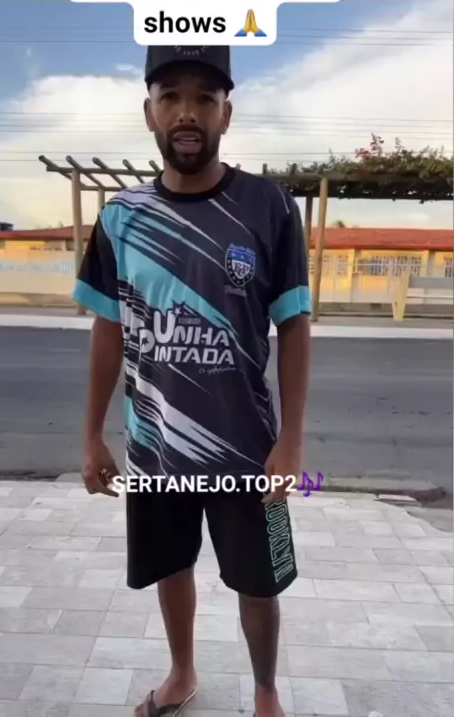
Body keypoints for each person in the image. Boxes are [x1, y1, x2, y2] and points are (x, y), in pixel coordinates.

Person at [73, 45, 311, 717]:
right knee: (170, 566)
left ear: (225, 115)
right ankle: (182, 673)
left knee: (260, 581)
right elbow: (108, 329)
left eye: (205, 98)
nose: (187, 112)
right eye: (171, 96)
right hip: (155, 447)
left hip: (248, 451)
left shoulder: (269, 206)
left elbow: (294, 325)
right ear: (149, 111)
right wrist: (91, 435)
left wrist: (291, 442)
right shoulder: (121, 217)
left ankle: (266, 693)